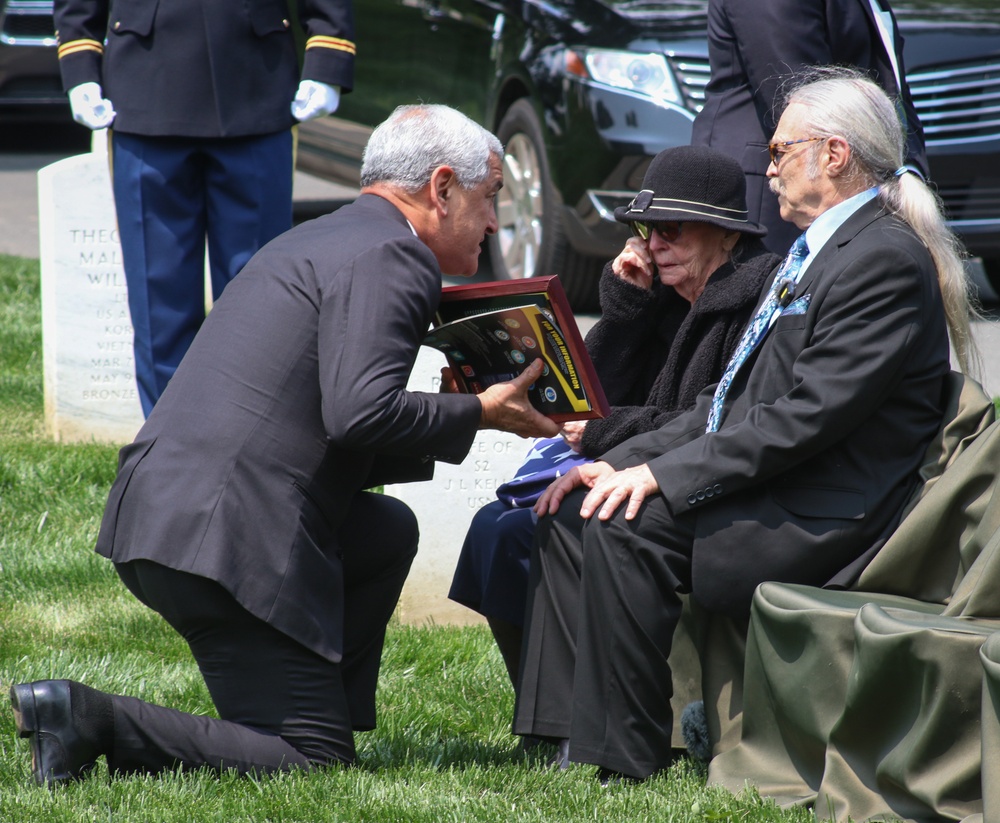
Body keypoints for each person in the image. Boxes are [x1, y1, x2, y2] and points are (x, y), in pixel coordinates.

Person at [10, 104, 561, 787]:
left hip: (167, 515)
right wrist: (479, 410)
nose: (494, 223)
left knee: (384, 528)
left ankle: (323, 706)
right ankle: (87, 715)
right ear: (441, 188)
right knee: (309, 760)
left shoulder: (328, 238)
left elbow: (325, 419)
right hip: (224, 539)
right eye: (490, 199)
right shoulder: (398, 256)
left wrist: (452, 405)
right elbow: (361, 414)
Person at [512, 67, 979, 783]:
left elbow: (803, 420)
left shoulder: (880, 259)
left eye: (779, 151)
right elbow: (731, 403)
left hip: (825, 506)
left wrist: (661, 475)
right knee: (585, 497)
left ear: (833, 154)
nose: (767, 169)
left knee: (627, 524)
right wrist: (622, 457)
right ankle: (563, 734)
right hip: (784, 479)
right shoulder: (824, 252)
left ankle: (628, 760)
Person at [448, 145, 780, 689]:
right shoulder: (661, 299)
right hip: (626, 467)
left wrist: (608, 431)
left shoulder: (752, 299)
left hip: (694, 485)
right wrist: (625, 307)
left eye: (674, 228)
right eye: (647, 229)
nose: (656, 243)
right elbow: (584, 398)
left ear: (726, 233)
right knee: (494, 530)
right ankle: (546, 707)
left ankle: (571, 715)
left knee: (526, 533)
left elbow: (710, 418)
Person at [52, 0, 356, 417]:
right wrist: (80, 60)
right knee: (160, 304)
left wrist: (327, 55)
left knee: (262, 302)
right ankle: (167, 456)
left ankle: (252, 447)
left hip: (253, 81)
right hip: (146, 83)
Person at [691, 0, 928, 255]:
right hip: (778, 188)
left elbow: (894, 87)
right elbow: (805, 96)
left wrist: (909, 169)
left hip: (837, 167)